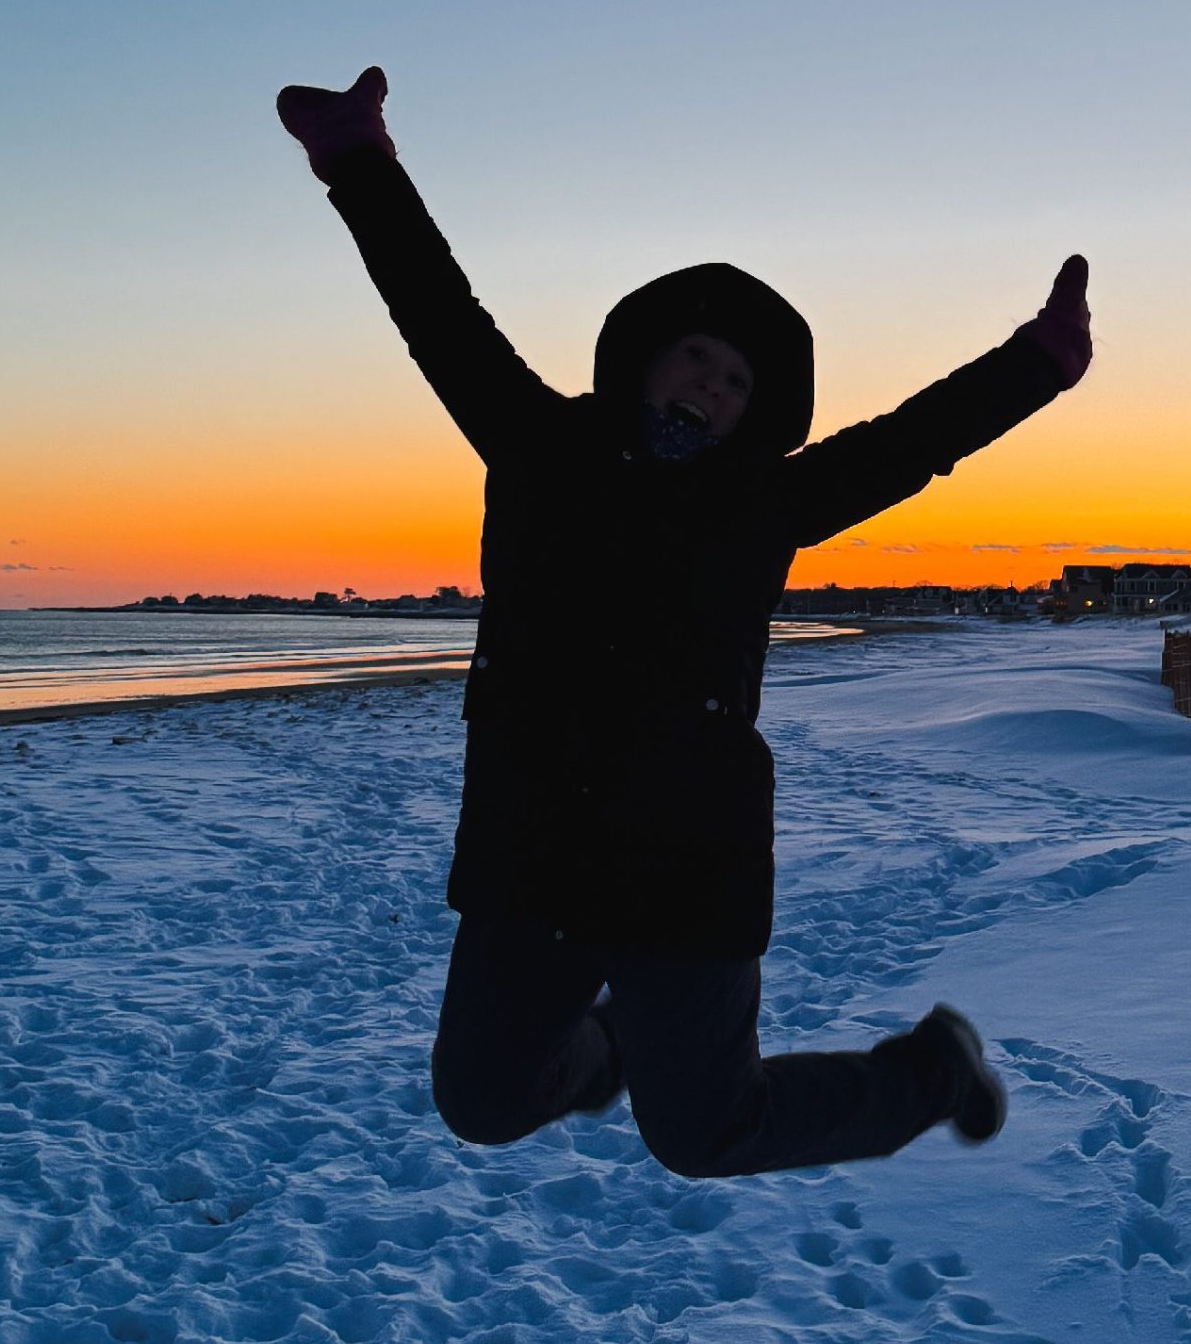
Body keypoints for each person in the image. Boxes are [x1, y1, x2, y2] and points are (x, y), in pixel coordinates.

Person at [278, 67, 1091, 1178]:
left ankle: (933, 1071)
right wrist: (356, 161)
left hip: (685, 861)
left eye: (739, 384)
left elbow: (911, 443)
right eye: (699, 357)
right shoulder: (536, 443)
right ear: (649, 352)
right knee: (481, 1101)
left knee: (707, 1133)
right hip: (533, 847)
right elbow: (437, 312)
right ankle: (609, 1046)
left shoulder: (765, 503)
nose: (712, 386)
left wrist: (1035, 366)